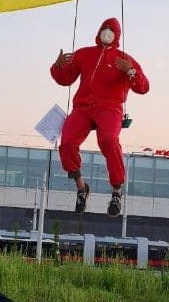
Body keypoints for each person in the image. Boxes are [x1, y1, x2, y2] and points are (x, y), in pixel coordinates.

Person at [50, 17, 149, 217]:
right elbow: (65, 79)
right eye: (104, 28)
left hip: (110, 108)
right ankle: (81, 187)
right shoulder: (84, 54)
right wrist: (57, 66)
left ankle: (116, 192)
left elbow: (144, 87)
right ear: (98, 31)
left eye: (111, 30)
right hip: (83, 108)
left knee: (108, 140)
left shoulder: (123, 58)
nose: (107, 32)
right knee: (67, 142)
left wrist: (130, 71)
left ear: (117, 35)